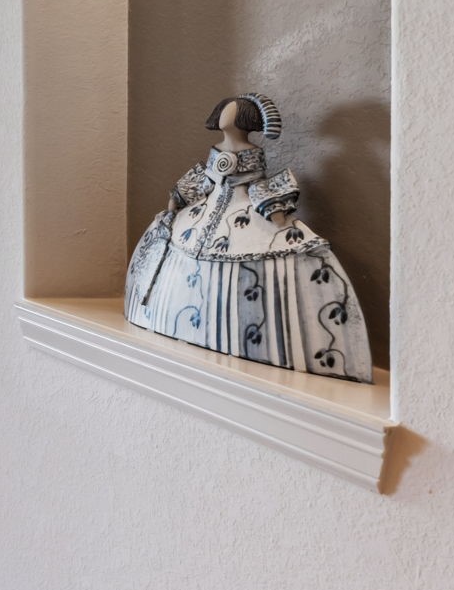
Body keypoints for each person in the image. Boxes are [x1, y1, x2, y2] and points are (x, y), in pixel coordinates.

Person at [124, 93, 372, 382]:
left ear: (243, 119)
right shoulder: (217, 149)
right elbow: (207, 177)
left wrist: (273, 211)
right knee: (183, 255)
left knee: (257, 263)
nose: (223, 114)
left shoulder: (251, 152)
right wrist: (178, 198)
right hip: (202, 214)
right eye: (224, 109)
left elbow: (256, 183)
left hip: (242, 211)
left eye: (231, 111)